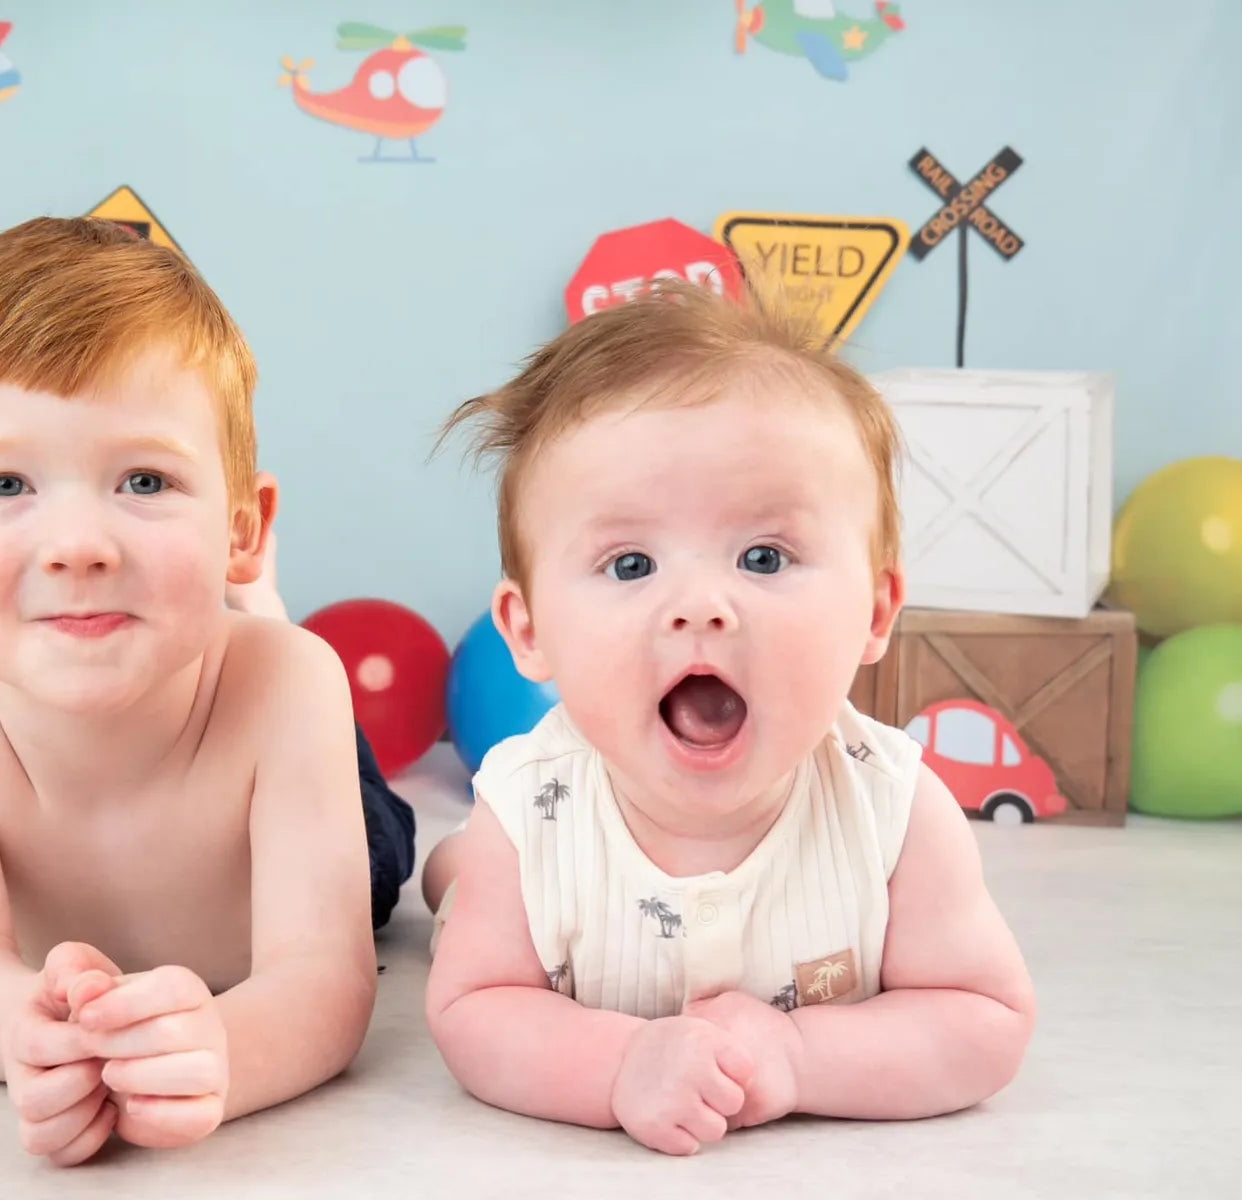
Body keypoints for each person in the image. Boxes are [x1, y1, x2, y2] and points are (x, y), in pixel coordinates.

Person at [421, 279, 1037, 1156]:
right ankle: (450, 872)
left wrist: (798, 1053)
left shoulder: (894, 809)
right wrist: (619, 1063)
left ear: (874, 610)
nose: (700, 605)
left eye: (763, 556)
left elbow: (984, 1017)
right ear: (529, 632)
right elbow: (474, 1010)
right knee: (467, 893)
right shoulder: (527, 816)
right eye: (630, 563)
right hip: (515, 869)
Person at [0, 215, 414, 1166]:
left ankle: (258, 606)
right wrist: (27, 1035)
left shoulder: (291, 687)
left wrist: (224, 1056)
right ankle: (231, 592)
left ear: (243, 523)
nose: (78, 543)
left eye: (145, 479)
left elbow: (326, 979)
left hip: (269, 754)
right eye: (3, 485)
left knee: (382, 859)